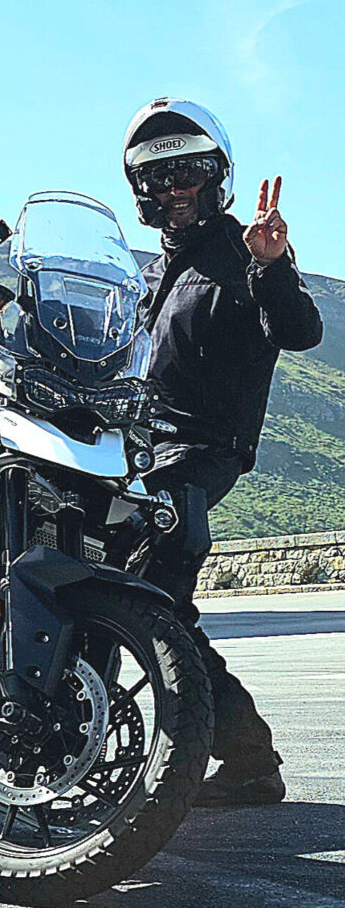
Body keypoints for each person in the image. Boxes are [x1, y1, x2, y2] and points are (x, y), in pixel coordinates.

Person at [124, 97, 322, 807]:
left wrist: (271, 267)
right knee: (139, 596)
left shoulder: (247, 252)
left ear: (216, 176)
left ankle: (247, 755)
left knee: (157, 600)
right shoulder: (150, 275)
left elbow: (299, 330)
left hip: (200, 451)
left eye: (189, 172)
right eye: (160, 176)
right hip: (137, 452)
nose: (175, 188)